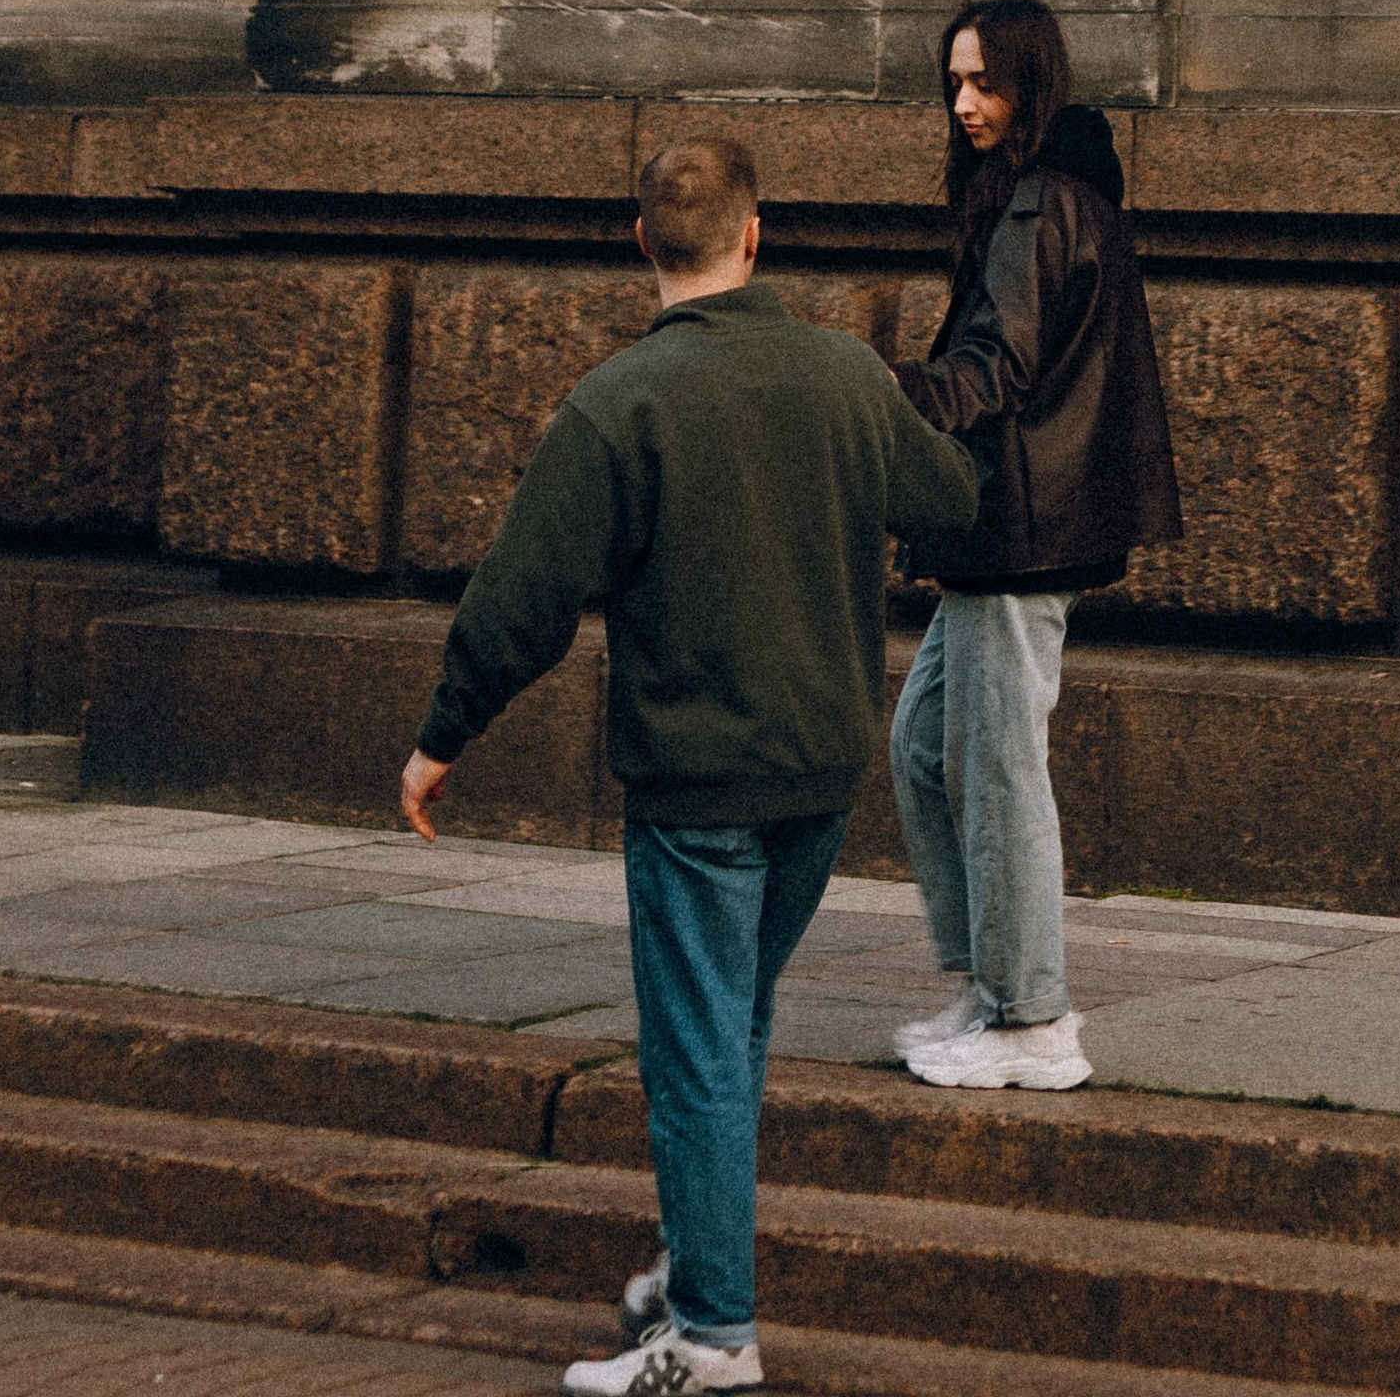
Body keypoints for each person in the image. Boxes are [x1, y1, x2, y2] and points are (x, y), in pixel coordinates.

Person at [400, 131, 978, 1397]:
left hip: (697, 785)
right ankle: (693, 1265)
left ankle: (713, 1336)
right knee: (733, 1025)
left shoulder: (620, 403)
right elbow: (950, 500)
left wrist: (445, 734)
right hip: (820, 776)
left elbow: (524, 598)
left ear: (639, 245)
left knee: (700, 1046)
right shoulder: (840, 374)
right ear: (755, 235)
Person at [887, 0, 1181, 1091]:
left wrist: (887, 388)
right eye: (953, 83)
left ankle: (1034, 1021)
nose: (965, 104)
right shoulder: (1054, 193)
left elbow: (993, 372)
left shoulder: (1034, 203)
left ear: (1030, 82)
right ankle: (992, 988)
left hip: (1017, 528)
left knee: (998, 769)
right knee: (927, 751)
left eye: (985, 83)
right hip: (1008, 528)